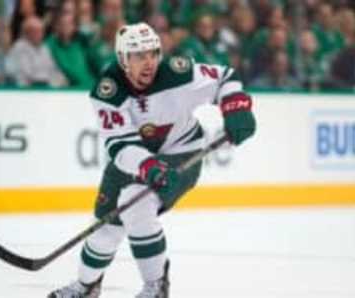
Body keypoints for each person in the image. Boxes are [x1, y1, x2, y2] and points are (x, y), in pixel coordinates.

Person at [48, 22, 256, 298]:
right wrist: (147, 165)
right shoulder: (108, 91)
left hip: (182, 152)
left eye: (152, 54)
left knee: (137, 205)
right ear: (123, 59)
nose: (148, 63)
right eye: (138, 56)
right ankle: (86, 286)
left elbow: (224, 77)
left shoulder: (177, 73)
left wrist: (235, 105)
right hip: (132, 159)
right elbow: (120, 145)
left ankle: (156, 286)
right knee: (106, 229)